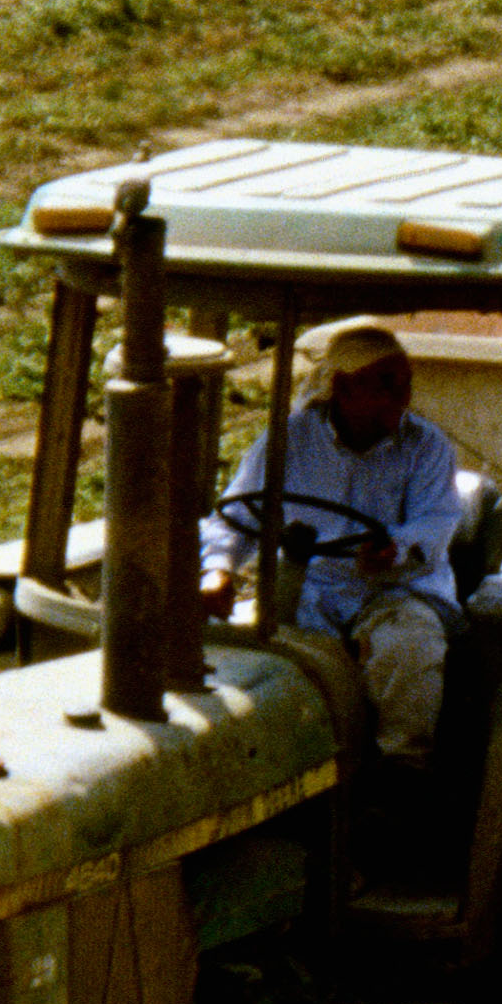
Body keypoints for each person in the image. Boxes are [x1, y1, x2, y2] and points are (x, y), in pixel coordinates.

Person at [202, 320, 461, 762]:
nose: (402, 396)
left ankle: (402, 771)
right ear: (342, 387)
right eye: (386, 384)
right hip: (310, 586)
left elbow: (435, 522)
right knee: (252, 663)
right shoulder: (288, 441)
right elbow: (239, 515)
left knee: (410, 648)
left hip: (394, 590)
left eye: (405, 384)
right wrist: (219, 569)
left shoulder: (426, 446)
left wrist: (394, 548)